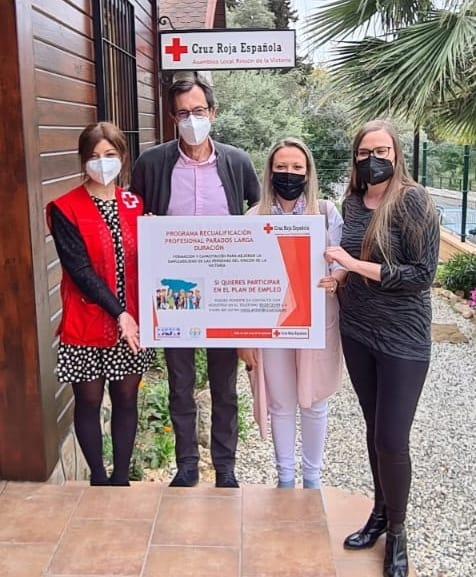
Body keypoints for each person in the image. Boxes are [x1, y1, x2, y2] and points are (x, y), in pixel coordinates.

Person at [131, 75, 260, 488]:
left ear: (213, 113)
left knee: (224, 385)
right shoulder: (152, 164)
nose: (192, 120)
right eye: (183, 113)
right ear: (173, 118)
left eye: (199, 111)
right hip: (174, 289)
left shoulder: (237, 162)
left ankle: (225, 468)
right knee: (180, 381)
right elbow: (135, 219)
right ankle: (186, 465)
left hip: (223, 291)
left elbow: (260, 215)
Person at [325, 119, 439, 577]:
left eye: (382, 151)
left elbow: (422, 275)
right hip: (357, 330)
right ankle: (377, 513)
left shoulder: (413, 200)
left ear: (396, 155)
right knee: (375, 431)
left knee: (393, 439)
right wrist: (340, 275)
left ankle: (397, 532)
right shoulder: (353, 202)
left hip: (402, 338)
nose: (373, 160)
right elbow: (350, 259)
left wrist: (353, 265)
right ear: (356, 157)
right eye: (364, 152)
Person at [47, 122, 155, 486]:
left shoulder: (136, 205)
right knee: (89, 400)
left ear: (122, 157)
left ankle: (121, 476)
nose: (102, 162)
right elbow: (79, 270)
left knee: (125, 398)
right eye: (94, 156)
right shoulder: (65, 208)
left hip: (132, 323)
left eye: (109, 154)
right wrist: (119, 312)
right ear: (83, 160)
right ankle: (97, 475)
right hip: (86, 321)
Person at [238, 138, 346, 490]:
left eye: (297, 167)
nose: (289, 174)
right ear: (270, 172)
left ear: (308, 172)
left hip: (315, 320)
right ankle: (285, 477)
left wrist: (336, 278)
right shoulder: (254, 217)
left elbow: (340, 259)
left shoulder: (326, 213)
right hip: (273, 324)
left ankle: (312, 478)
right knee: (281, 403)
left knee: (314, 400)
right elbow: (241, 276)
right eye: (281, 167)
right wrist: (244, 338)